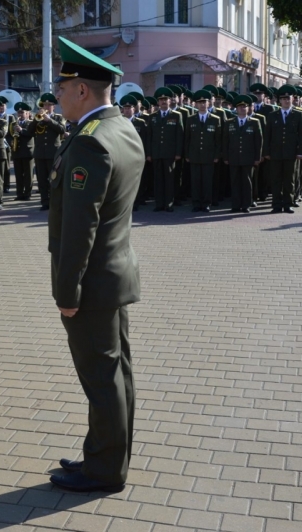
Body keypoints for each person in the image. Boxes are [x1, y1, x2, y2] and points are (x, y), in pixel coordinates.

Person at [48, 36, 144, 493]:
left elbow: (79, 229)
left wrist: (67, 293)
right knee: (115, 374)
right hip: (116, 273)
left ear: (82, 90)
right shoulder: (122, 129)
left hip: (92, 284)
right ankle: (103, 454)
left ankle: (104, 470)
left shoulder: (89, 142)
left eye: (62, 89)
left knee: (102, 379)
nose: (57, 97)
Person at [266, 84, 302, 213]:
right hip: (275, 153)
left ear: (292, 99)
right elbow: (268, 136)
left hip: (291, 153)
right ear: (280, 101)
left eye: (288, 98)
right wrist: (266, 152)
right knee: (276, 180)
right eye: (283, 99)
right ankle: (276, 205)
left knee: (289, 180)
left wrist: (300, 152)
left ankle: (288, 204)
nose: (286, 101)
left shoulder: (298, 115)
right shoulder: (272, 115)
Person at [223, 95, 263, 213]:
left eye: (244, 106)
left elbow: (259, 142)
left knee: (247, 182)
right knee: (234, 181)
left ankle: (246, 204)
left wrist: (257, 157)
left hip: (248, 157)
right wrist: (225, 157)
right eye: (240, 107)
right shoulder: (229, 122)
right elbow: (225, 141)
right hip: (233, 157)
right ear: (236, 108)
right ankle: (235, 205)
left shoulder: (255, 122)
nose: (242, 109)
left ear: (248, 108)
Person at [146, 87, 184, 211]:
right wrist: (149, 153)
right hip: (156, 153)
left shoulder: (177, 115)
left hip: (170, 153)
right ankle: (159, 204)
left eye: (165, 99)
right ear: (158, 102)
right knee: (158, 180)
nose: (163, 102)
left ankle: (169, 203)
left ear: (170, 101)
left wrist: (178, 152)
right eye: (161, 100)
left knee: (169, 179)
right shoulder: (152, 117)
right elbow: (149, 137)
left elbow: (180, 135)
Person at [27, 93, 66, 211]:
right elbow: (29, 132)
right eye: (44, 105)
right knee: (42, 179)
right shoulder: (37, 118)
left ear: (54, 106)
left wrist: (49, 121)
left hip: (53, 153)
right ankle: (44, 202)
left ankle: (55, 202)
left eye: (49, 105)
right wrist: (35, 119)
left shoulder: (59, 117)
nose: (47, 107)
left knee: (53, 179)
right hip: (40, 153)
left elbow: (62, 130)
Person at [185, 89, 221, 213]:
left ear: (208, 103)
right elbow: (187, 139)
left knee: (207, 181)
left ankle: (206, 203)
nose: (201, 104)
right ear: (195, 104)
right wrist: (187, 154)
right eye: (199, 102)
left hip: (209, 156)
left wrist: (217, 155)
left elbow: (218, 140)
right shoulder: (191, 119)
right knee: (195, 181)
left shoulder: (215, 119)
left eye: (204, 102)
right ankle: (196, 203)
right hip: (194, 155)